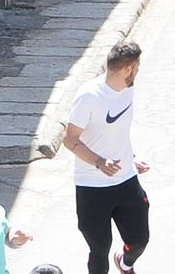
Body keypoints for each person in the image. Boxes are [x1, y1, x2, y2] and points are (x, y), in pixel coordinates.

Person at [63, 42, 150, 274]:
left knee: (140, 239)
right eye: (138, 67)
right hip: (91, 186)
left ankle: (125, 261)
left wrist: (130, 157)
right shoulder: (88, 97)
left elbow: (115, 131)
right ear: (128, 69)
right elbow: (69, 139)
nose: (139, 71)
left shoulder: (128, 88)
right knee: (100, 248)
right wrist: (99, 162)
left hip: (125, 179)